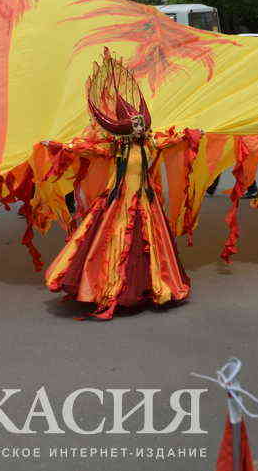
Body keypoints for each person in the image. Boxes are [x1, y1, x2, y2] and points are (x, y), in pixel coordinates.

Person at [44, 53, 191, 319]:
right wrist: (57, 146)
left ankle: (153, 286)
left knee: (149, 244)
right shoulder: (116, 147)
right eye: (133, 124)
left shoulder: (149, 143)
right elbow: (86, 149)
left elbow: (173, 138)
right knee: (112, 243)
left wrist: (192, 134)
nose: (137, 127)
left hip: (146, 201)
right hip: (118, 200)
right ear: (125, 127)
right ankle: (107, 288)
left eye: (139, 123)